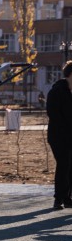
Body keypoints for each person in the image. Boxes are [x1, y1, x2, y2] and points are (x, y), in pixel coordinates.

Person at [46, 60, 72, 210]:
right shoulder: (56, 91)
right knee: (63, 165)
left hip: (69, 135)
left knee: (69, 166)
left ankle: (67, 198)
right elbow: (53, 114)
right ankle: (58, 199)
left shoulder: (70, 92)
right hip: (58, 136)